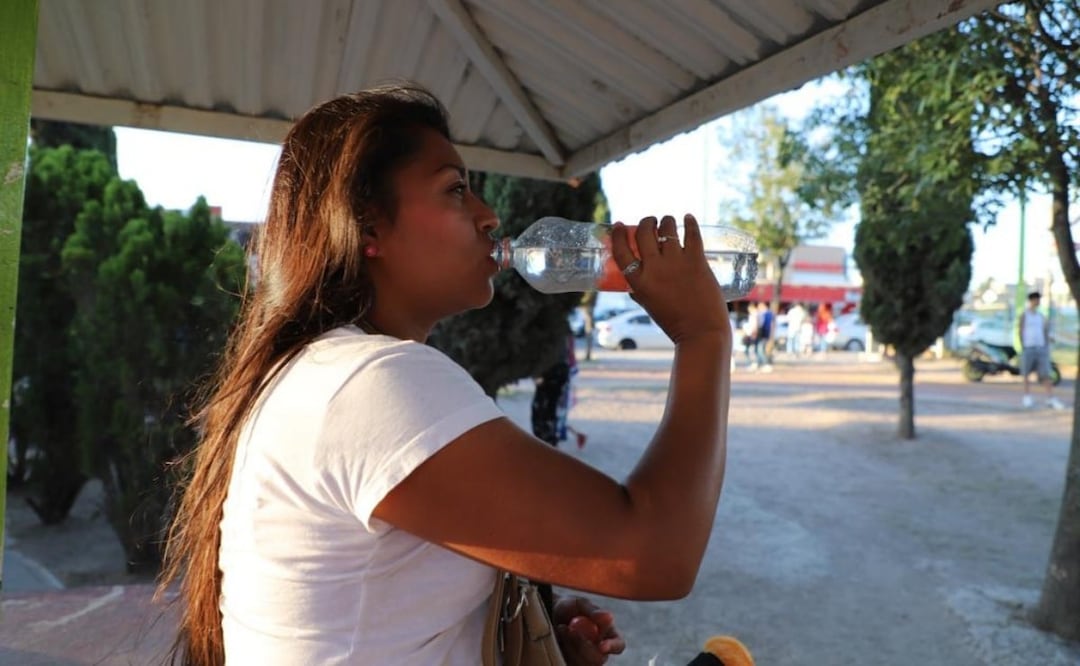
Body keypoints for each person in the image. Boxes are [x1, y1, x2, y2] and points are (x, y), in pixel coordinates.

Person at [157, 84, 733, 665]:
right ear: (367, 227)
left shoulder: (325, 372)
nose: (489, 215)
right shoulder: (365, 384)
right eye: (455, 190)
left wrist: (513, 631)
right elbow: (656, 555)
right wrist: (703, 335)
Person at [1019, 291, 1064, 410]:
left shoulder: (1041, 317)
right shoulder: (1025, 315)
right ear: (1031, 300)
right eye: (1036, 299)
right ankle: (1027, 397)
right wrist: (1023, 345)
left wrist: (1047, 343)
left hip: (1041, 348)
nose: (1037, 302)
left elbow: (1044, 331)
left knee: (1046, 374)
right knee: (1026, 373)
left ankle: (1050, 398)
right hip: (1029, 347)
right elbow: (1021, 330)